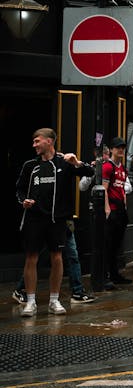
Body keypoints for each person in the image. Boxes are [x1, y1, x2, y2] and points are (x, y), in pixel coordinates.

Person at [15, 128, 94, 317]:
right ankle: (31, 301)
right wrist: (23, 201)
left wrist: (77, 163)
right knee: (31, 258)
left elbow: (90, 172)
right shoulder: (30, 166)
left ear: (49, 141)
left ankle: (54, 300)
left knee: (57, 258)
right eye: (33, 142)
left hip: (57, 219)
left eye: (37, 141)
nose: (34, 145)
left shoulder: (64, 163)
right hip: (34, 218)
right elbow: (19, 189)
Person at [102, 137, 131, 285]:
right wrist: (107, 209)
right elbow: (104, 189)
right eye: (118, 147)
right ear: (112, 149)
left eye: (123, 148)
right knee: (109, 243)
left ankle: (114, 274)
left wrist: (124, 206)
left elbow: (122, 190)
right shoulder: (108, 166)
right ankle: (107, 275)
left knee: (117, 244)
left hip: (120, 209)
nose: (121, 150)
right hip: (112, 209)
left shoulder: (122, 168)